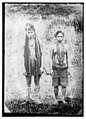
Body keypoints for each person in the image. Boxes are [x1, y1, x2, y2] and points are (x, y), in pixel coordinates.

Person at [24, 23, 42, 102]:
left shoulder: (38, 41)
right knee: (28, 80)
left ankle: (36, 98)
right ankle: (28, 97)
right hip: (28, 63)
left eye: (31, 31)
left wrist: (41, 66)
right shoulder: (24, 42)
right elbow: (22, 56)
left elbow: (42, 54)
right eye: (27, 31)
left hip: (36, 63)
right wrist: (23, 68)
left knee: (37, 80)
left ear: (34, 32)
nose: (29, 33)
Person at [52, 31, 68, 103]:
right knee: (55, 85)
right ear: (56, 37)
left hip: (64, 68)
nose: (60, 38)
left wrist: (69, 68)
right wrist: (50, 69)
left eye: (61, 36)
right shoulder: (53, 46)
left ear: (63, 37)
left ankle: (63, 98)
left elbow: (67, 57)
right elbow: (50, 57)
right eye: (58, 36)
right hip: (55, 67)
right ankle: (56, 99)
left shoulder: (66, 46)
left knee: (64, 85)